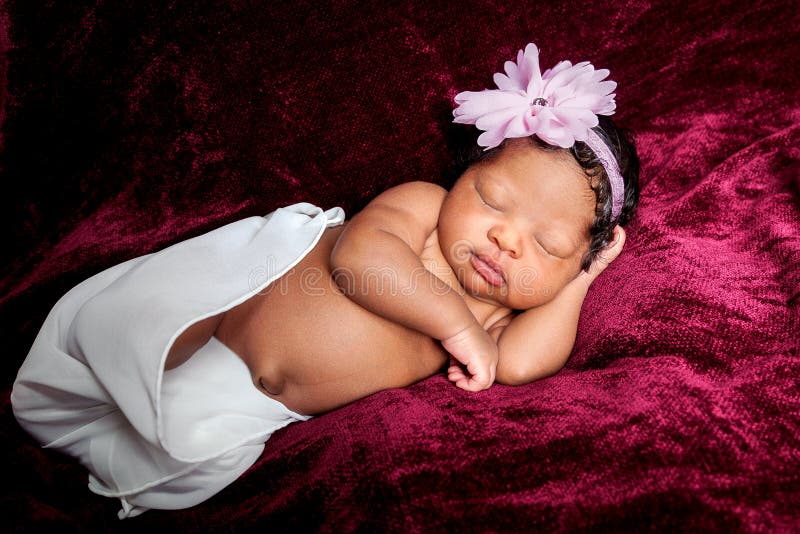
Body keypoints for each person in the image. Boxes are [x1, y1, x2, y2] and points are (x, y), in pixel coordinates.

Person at [11, 43, 639, 517]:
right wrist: (456, 327)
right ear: (462, 174)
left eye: (549, 246)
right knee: (120, 355)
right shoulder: (423, 213)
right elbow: (359, 261)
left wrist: (582, 279)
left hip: (246, 410)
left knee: (159, 471)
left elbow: (521, 365)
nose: (505, 238)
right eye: (492, 198)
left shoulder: (497, 315)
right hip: (216, 324)